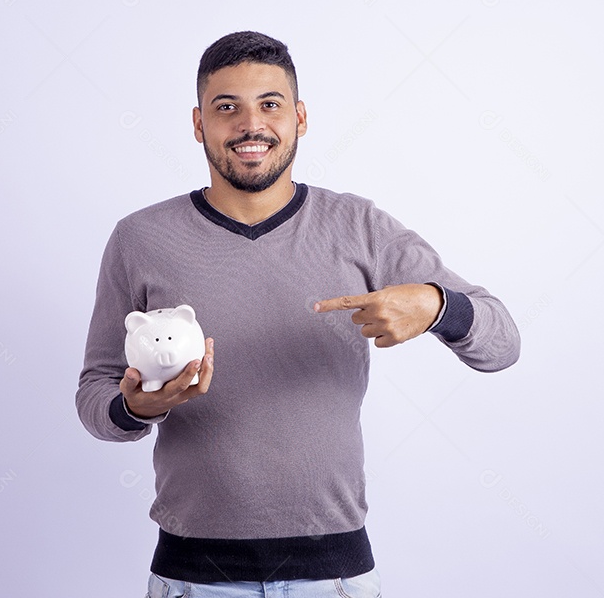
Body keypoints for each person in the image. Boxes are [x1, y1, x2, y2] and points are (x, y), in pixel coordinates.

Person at [76, 31, 520, 597]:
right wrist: (136, 406)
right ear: (198, 124)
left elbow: (503, 344)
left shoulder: (360, 227)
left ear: (300, 117)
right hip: (194, 577)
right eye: (226, 107)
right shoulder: (140, 238)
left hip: (333, 576)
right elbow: (94, 394)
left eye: (270, 104)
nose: (250, 125)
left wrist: (437, 305)